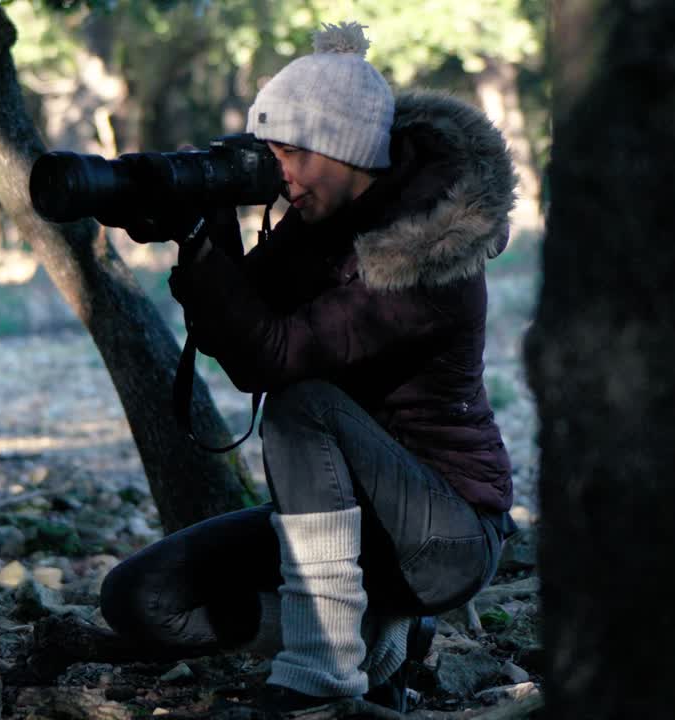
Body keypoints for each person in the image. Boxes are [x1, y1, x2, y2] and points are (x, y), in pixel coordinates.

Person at [84, 21, 517, 715]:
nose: (278, 173)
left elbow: (276, 361)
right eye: (270, 153)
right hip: (348, 520)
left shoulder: (429, 256)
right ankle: (379, 638)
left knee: (302, 400)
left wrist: (203, 244)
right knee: (141, 598)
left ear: (344, 150)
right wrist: (200, 227)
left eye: (291, 153)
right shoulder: (317, 219)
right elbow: (244, 334)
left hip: (445, 535)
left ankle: (321, 670)